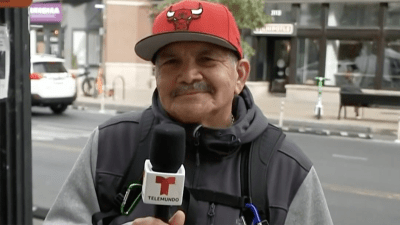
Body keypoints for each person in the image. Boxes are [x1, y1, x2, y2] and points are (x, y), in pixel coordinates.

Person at [44, 1, 333, 224]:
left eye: (207, 59)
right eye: (171, 62)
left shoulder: (288, 170)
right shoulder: (109, 146)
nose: (188, 75)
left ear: (240, 75)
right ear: (157, 75)